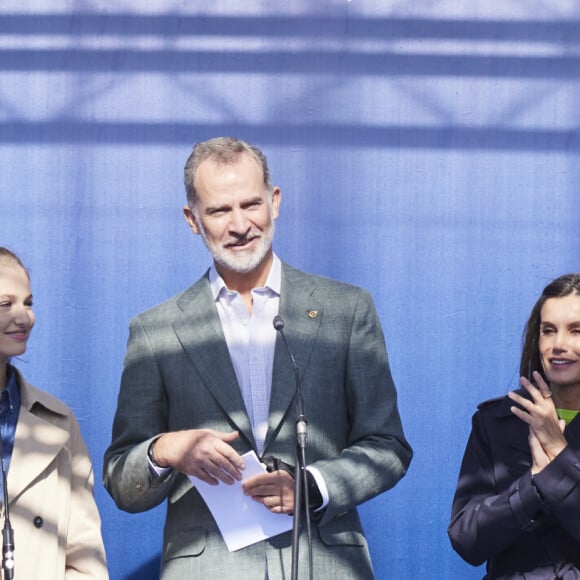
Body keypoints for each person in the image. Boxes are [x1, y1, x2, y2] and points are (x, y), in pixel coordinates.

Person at [103, 136, 412, 579]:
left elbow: (388, 447)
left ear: (276, 201)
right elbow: (121, 481)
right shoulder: (155, 332)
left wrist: (313, 486)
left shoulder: (347, 310)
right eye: (219, 211)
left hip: (322, 564)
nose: (240, 224)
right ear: (192, 219)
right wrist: (167, 449)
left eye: (251, 204)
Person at [449, 273, 580, 579]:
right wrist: (532, 485)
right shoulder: (496, 421)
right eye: (549, 331)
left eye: (576, 331)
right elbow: (466, 539)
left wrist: (559, 459)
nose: (559, 344)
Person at [0, 247, 108, 579]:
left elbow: (85, 559)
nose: (24, 317)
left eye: (28, 303)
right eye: (6, 304)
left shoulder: (58, 421)